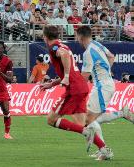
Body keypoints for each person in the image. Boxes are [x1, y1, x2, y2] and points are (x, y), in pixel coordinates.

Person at [40, 26, 112, 160]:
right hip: (81, 86)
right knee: (81, 123)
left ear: (45, 37)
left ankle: (87, 132)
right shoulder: (62, 44)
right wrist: (52, 83)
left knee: (51, 119)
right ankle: (104, 149)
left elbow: (64, 55)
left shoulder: (54, 47)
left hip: (73, 89)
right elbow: (68, 64)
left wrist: (66, 76)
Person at [77, 26, 134, 159]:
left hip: (102, 86)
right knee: (93, 119)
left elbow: (84, 76)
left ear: (80, 37)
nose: (77, 40)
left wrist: (70, 83)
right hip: (105, 84)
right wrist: (106, 70)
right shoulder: (97, 44)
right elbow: (111, 56)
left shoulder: (88, 52)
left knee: (89, 120)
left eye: (76, 37)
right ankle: (122, 113)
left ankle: (104, 151)